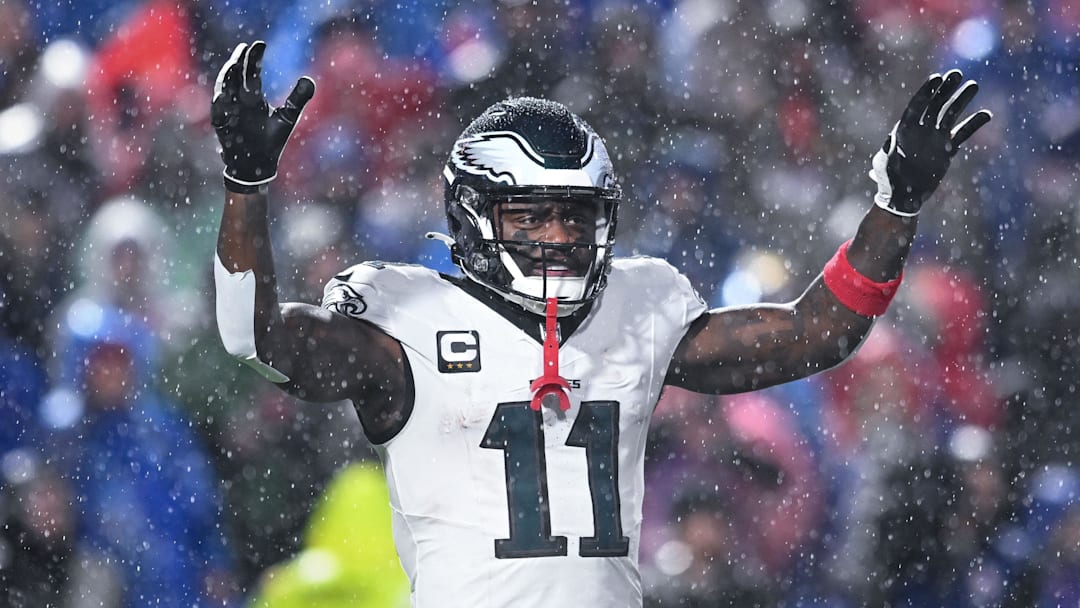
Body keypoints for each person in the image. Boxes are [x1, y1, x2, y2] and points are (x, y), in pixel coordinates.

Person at [210, 40, 991, 607]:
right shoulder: (405, 313)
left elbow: (817, 333)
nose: (557, 237)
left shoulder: (635, 305)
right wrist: (246, 187)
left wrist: (895, 206)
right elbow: (257, 339)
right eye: (534, 215)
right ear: (474, 214)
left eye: (575, 217)